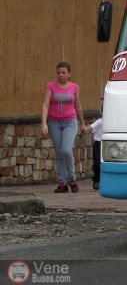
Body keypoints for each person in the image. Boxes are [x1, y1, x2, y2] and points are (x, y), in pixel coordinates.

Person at [41, 61, 85, 193]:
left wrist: (82, 123)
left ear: (69, 74)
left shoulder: (74, 87)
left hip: (70, 122)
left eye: (63, 72)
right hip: (54, 123)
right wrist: (44, 123)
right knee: (59, 153)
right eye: (58, 73)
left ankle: (72, 178)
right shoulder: (50, 87)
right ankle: (62, 182)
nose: (61, 75)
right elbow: (45, 105)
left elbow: (77, 106)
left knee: (66, 150)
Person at [83, 116, 103, 190]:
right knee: (97, 163)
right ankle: (97, 180)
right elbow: (91, 127)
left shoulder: (115, 121)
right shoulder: (100, 121)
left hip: (110, 145)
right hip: (98, 144)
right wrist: (84, 128)